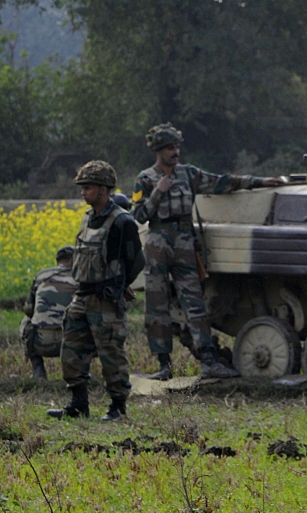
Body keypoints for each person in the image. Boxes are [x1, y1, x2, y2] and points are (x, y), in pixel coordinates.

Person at [131, 122, 284, 380]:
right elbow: (140, 214)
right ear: (158, 150)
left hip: (184, 242)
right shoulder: (144, 179)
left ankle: (209, 360)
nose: (175, 152)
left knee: (195, 304)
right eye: (170, 148)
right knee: (156, 305)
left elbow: (221, 182)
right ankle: (162, 364)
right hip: (158, 242)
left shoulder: (188, 174)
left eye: (177, 146)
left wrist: (257, 182)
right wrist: (158, 193)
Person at [48, 160, 145, 421]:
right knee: (71, 350)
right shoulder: (88, 217)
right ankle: (78, 404)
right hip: (82, 296)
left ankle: (118, 408)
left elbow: (136, 261)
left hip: (106, 300)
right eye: (82, 187)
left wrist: (119, 285)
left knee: (111, 354)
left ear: (103, 189)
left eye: (88, 187)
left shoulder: (122, 222)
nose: (83, 192)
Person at [21, 245, 77, 378]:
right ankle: (79, 372)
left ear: (58, 261)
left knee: (24, 322)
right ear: (73, 260)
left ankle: (38, 369)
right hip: (72, 343)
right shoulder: (81, 278)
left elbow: (28, 309)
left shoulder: (41, 275)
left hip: (41, 342)